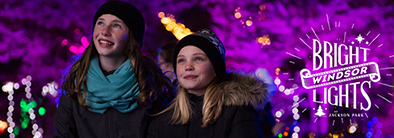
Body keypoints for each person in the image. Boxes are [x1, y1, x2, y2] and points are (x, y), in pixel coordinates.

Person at [53, 1, 175, 137]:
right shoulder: (75, 85)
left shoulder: (150, 84)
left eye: (116, 25)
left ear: (132, 37)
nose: (105, 31)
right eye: (101, 23)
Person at [147, 29, 270, 138]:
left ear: (216, 69)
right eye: (181, 60)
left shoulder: (238, 112)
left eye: (198, 59)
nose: (188, 66)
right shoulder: (162, 119)